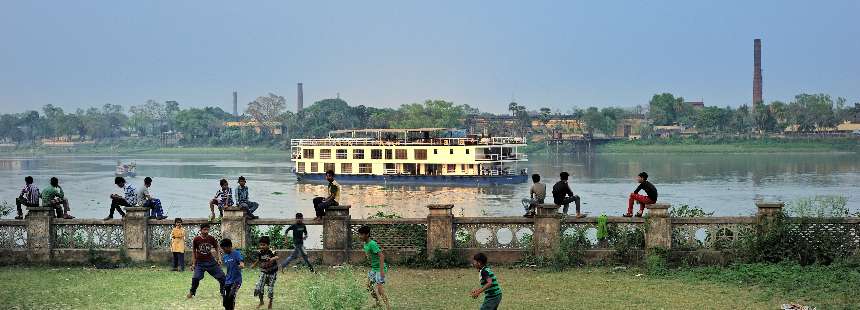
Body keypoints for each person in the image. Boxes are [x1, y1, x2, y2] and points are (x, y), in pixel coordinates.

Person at [187, 223, 226, 300]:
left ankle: (223, 292)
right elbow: (194, 252)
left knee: (222, 277)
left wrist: (219, 258)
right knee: (196, 278)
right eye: (204, 229)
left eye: (207, 229)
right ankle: (192, 292)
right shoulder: (196, 239)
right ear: (200, 230)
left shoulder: (211, 238)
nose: (206, 231)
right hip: (200, 263)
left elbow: (217, 248)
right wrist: (194, 264)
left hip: (211, 262)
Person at [358, 225, 390, 310]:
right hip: (374, 268)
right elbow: (369, 255)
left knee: (380, 290)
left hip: (380, 268)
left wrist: (382, 271)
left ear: (367, 234)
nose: (360, 236)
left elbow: (382, 256)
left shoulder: (372, 244)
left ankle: (388, 307)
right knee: (369, 286)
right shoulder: (365, 244)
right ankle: (378, 303)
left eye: (361, 234)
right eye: (359, 234)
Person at [251, 236, 279, 309]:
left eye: (264, 245)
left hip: (272, 272)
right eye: (261, 245)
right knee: (259, 287)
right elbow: (259, 259)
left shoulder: (271, 250)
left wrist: (271, 258)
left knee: (270, 288)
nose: (262, 246)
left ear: (268, 245)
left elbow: (277, 257)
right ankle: (261, 302)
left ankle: (270, 302)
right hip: (264, 271)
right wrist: (254, 264)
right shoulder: (260, 252)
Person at [220, 238, 244, 310]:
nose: (223, 250)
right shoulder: (225, 257)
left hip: (236, 281)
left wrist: (241, 265)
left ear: (229, 246)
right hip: (228, 280)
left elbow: (241, 262)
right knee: (226, 300)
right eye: (222, 249)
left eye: (224, 249)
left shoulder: (236, 253)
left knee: (231, 296)